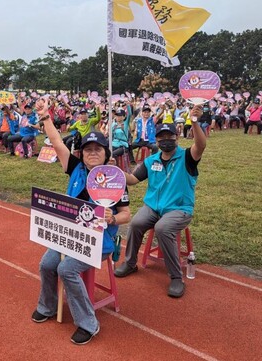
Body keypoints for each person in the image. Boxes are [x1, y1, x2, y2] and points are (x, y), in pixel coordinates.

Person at [31, 97, 131, 345]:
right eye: (88, 149)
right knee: (46, 264)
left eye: (98, 149)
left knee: (66, 269)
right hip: (69, 235)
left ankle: (88, 323)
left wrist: (112, 217)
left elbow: (126, 214)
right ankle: (48, 305)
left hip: (101, 240)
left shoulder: (115, 178)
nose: (93, 153)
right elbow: (55, 141)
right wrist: (45, 117)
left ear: (106, 153)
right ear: (82, 153)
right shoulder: (75, 167)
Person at [114, 105, 206, 298]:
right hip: (153, 208)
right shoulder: (151, 160)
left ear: (177, 138)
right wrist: (115, 171)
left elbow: (201, 145)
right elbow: (132, 179)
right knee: (136, 223)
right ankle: (130, 263)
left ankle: (175, 277)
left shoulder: (187, 156)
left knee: (163, 228)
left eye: (169, 137)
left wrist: (195, 122)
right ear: (156, 140)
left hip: (179, 209)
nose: (165, 141)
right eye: (161, 138)